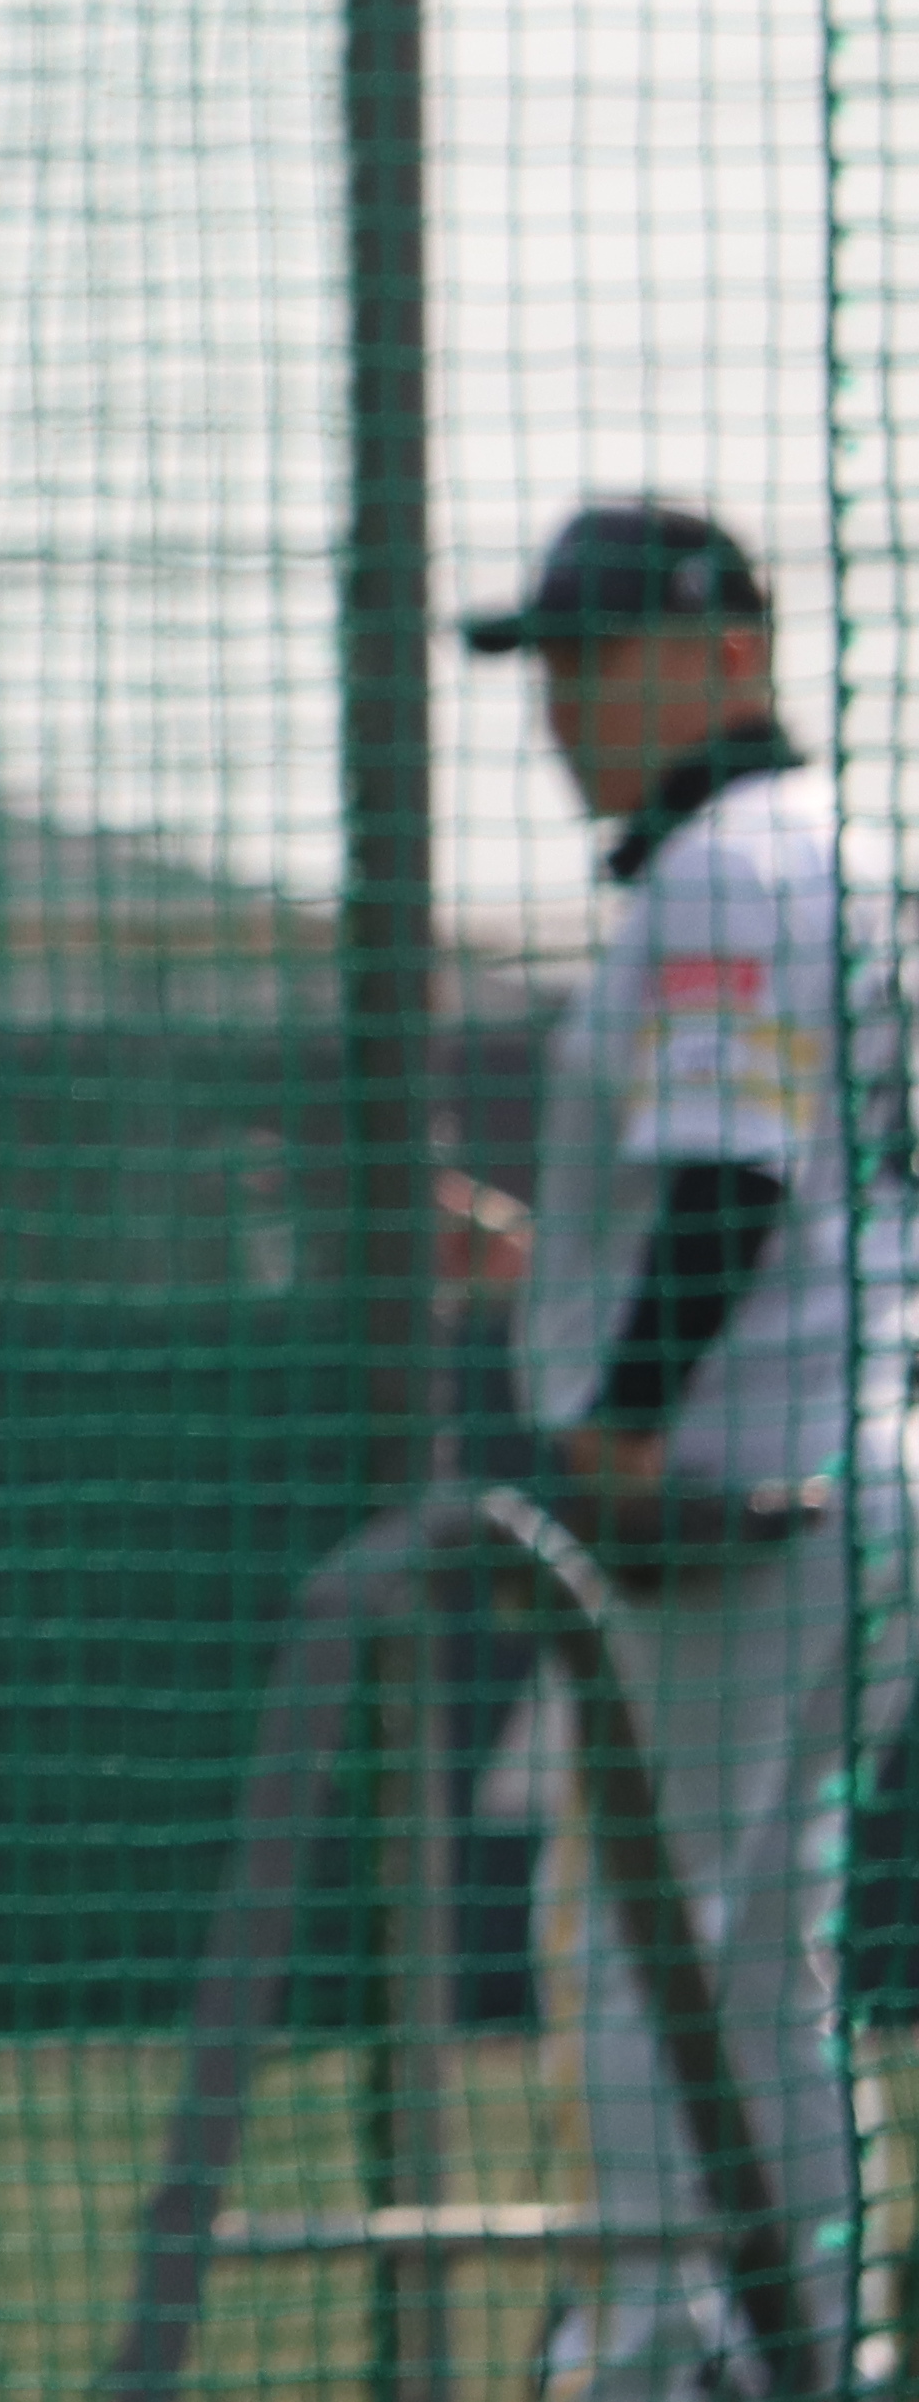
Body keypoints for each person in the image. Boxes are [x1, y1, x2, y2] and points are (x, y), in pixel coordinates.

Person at [451, 498, 908, 2399]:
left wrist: (624, 1429)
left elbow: (736, 1182)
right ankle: (796, 2338)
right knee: (748, 1957)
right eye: (551, 660)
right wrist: (550, 1278)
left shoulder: (724, 868)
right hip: (855, 1462)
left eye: (600, 655)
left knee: (642, 1949)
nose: (564, 701)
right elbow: (805, 1202)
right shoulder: (835, 863)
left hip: (749, 1493)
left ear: (732, 655)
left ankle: (660, 2356)